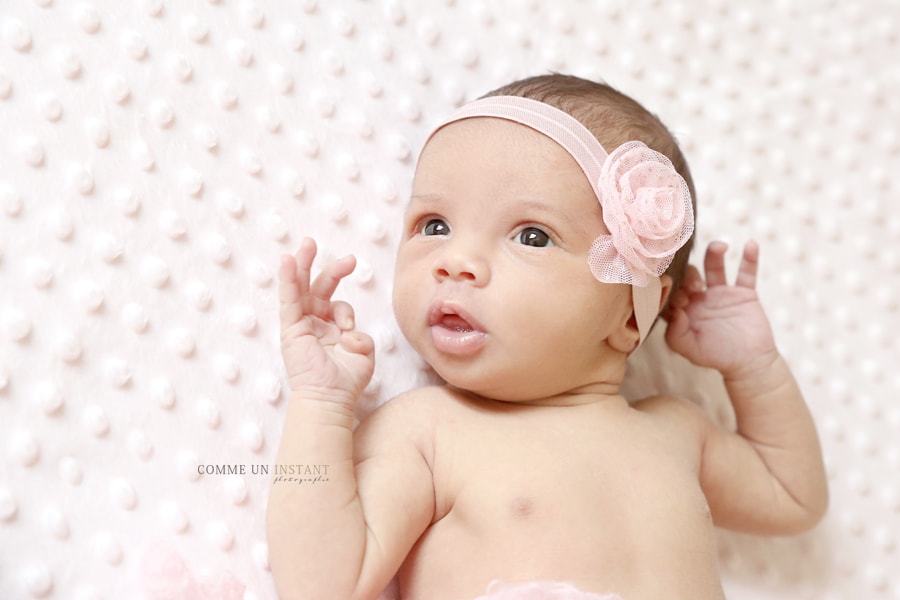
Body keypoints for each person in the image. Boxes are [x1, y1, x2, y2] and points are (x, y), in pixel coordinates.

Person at [266, 74, 828, 600]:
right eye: (433, 225)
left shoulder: (675, 431)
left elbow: (794, 496)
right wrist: (320, 403)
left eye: (532, 236)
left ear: (632, 317)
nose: (455, 260)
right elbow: (322, 582)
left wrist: (753, 368)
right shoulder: (430, 433)